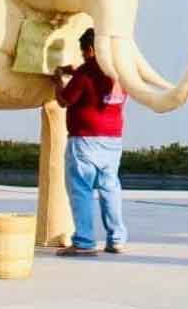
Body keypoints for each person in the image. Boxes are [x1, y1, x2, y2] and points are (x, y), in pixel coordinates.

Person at [53, 28, 128, 256]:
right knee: (110, 188)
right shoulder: (120, 70)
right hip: (113, 140)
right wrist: (76, 74)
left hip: (85, 140)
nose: (83, 55)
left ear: (91, 49)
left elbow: (65, 100)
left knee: (81, 190)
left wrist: (58, 81)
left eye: (83, 51)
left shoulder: (86, 72)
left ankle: (84, 242)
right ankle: (116, 239)